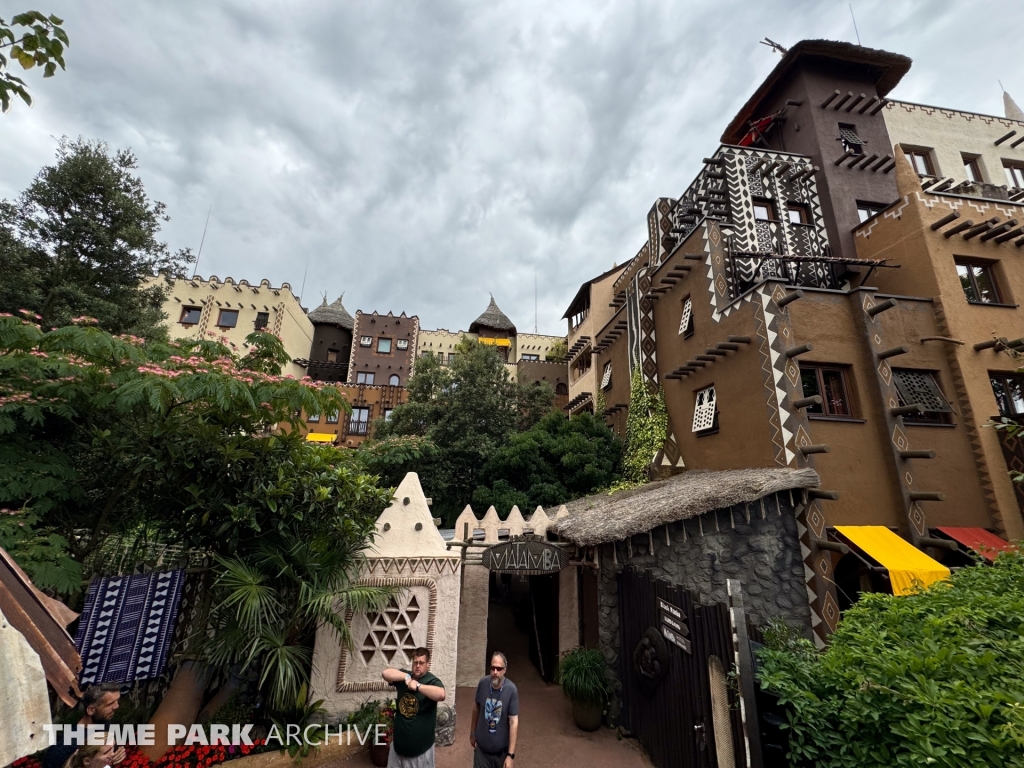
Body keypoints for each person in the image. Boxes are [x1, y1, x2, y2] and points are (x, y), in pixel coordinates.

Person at [382, 647, 447, 767]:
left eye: (421, 663)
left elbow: (441, 694)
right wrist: (406, 677)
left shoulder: (432, 681)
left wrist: (418, 686)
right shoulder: (404, 677)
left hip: (421, 752)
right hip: (397, 749)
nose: (417, 666)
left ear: (427, 664)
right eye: (415, 662)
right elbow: (385, 673)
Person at [41, 685, 126, 768]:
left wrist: (117, 751)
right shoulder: (66, 745)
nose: (116, 706)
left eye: (117, 701)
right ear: (91, 710)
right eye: (110, 704)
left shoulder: (103, 720)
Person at [470, 652, 519, 768]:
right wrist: (472, 732)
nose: (495, 672)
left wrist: (510, 755)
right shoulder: (483, 683)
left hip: (501, 753)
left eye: (499, 669)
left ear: (504, 670)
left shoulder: (511, 690)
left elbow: (513, 722)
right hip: (482, 752)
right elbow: (476, 707)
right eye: (492, 668)